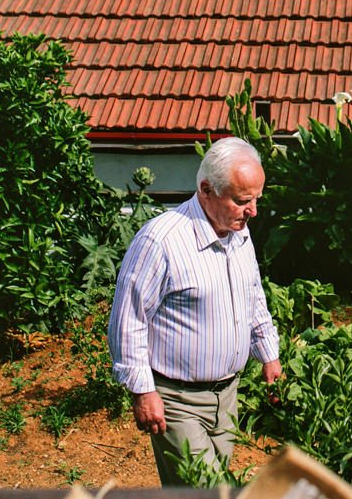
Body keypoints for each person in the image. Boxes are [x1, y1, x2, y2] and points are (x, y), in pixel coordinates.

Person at [107, 136, 282, 485]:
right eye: (242, 201)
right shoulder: (161, 241)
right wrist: (143, 392)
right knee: (208, 490)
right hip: (177, 400)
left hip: (226, 397)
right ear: (206, 189)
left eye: (256, 200)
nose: (253, 211)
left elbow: (253, 296)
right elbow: (129, 321)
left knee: (196, 492)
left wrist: (269, 355)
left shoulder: (239, 233)